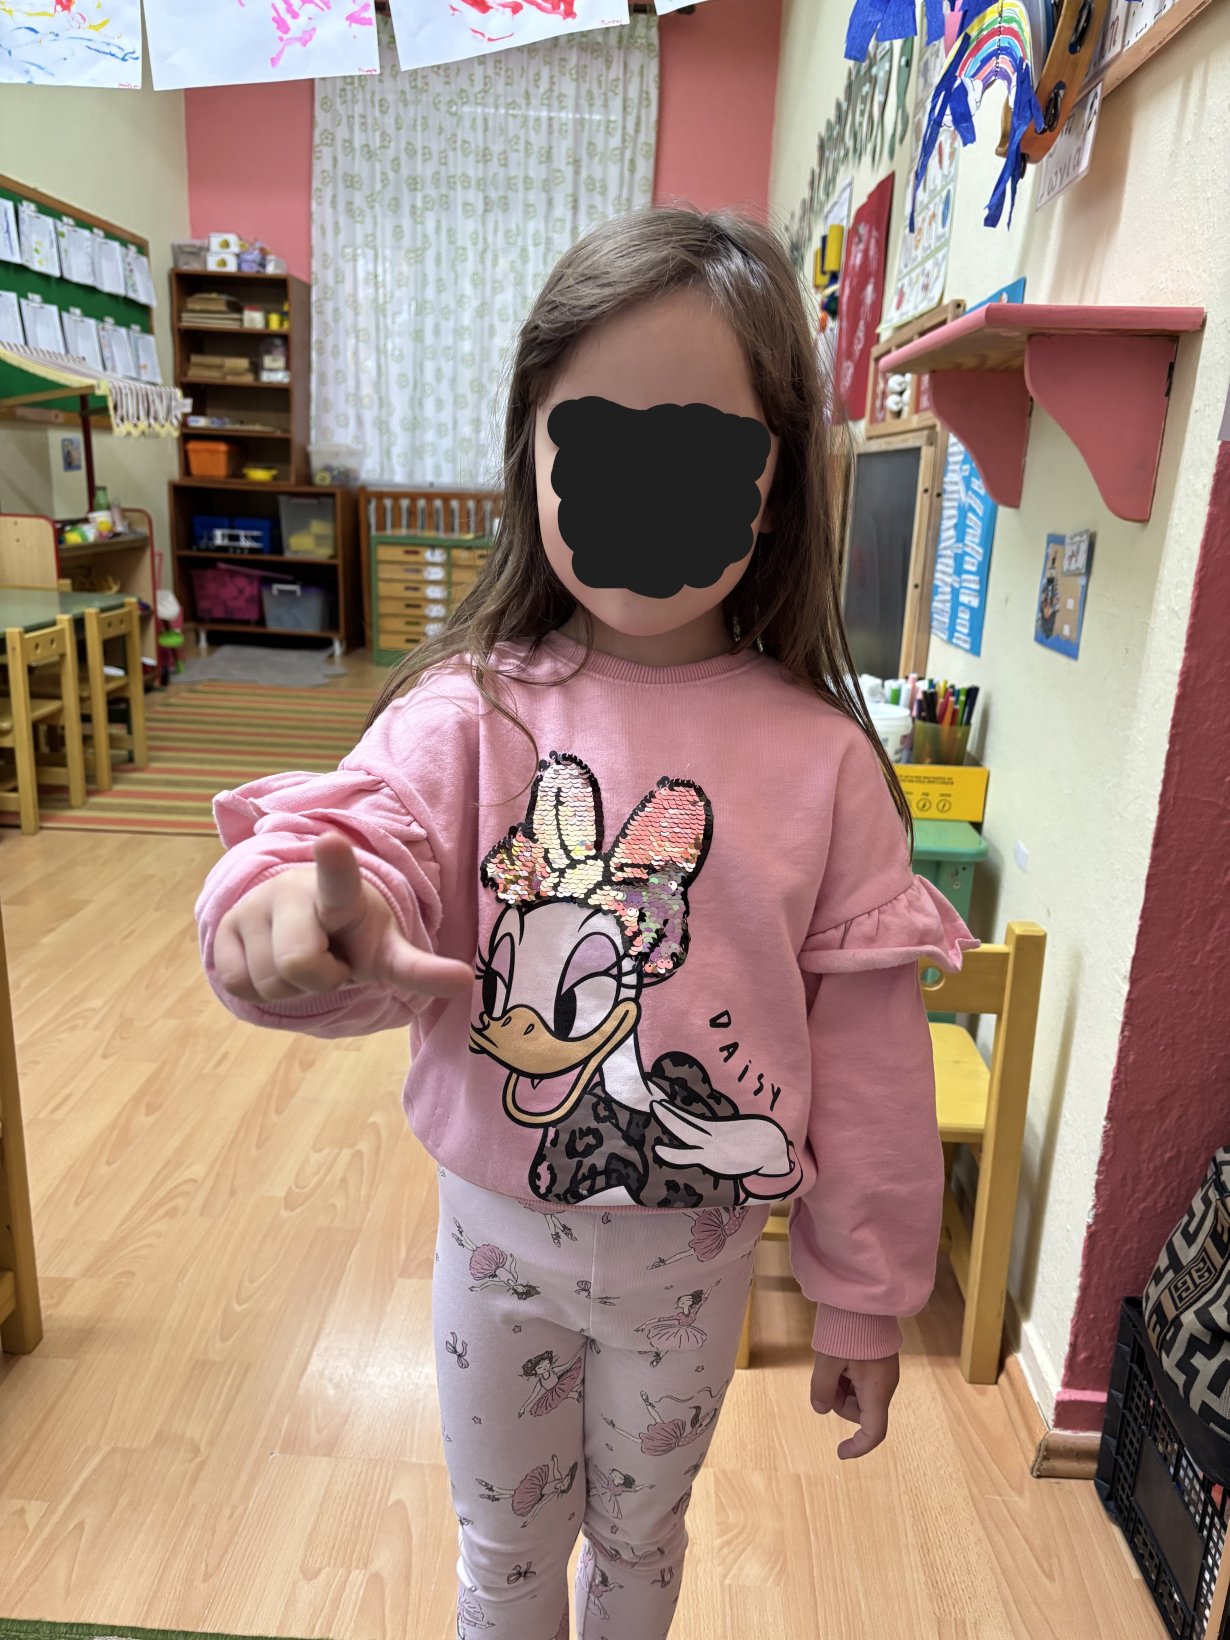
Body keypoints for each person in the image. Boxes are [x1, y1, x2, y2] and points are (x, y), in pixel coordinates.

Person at [195, 205, 977, 1640]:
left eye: (700, 455)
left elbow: (872, 1064)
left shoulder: (824, 765)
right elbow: (349, 855)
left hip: (696, 1266)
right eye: (601, 446)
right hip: (494, 1249)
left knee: (641, 1541)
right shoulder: (465, 714)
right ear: (534, 458)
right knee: (503, 1554)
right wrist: (280, 924)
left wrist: (866, 1293)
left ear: (772, 487)